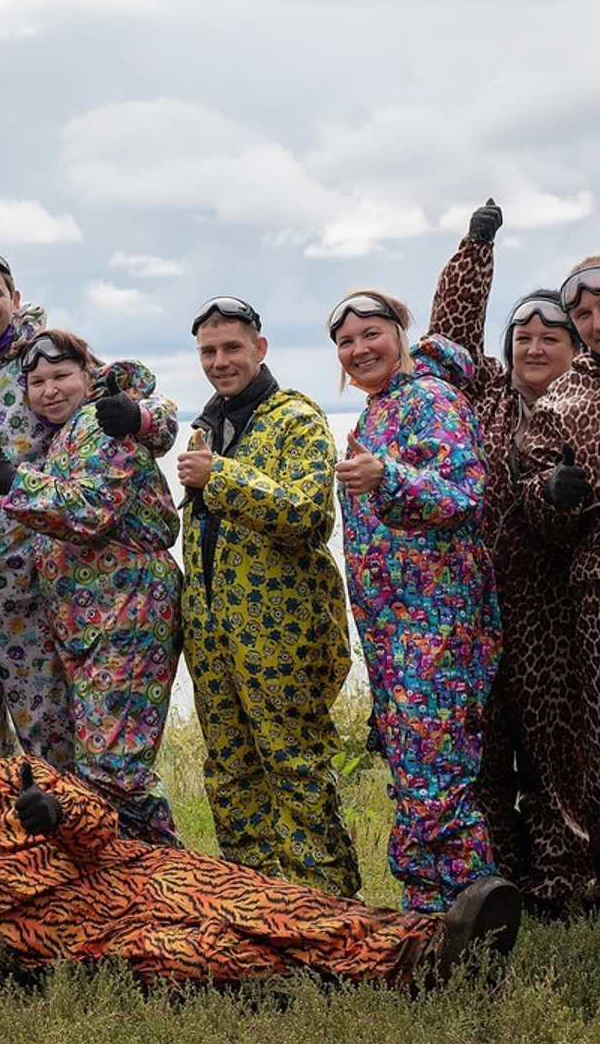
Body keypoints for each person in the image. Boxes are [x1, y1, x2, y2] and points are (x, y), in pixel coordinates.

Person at [0, 708, 521, 989]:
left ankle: (429, 941)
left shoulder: (11, 777)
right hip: (78, 936)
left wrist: (60, 813)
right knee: (217, 950)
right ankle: (399, 970)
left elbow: (101, 824)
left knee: (269, 903)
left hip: (132, 874)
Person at [0, 248, 177, 768]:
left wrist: (144, 418)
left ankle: (67, 840)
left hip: (39, 591)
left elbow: (140, 403)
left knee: (49, 735)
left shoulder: (43, 361)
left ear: (15, 298)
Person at [428, 203, 587, 911]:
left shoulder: (591, 408)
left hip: (552, 605)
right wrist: (476, 250)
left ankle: (563, 879)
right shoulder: (485, 395)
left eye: (550, 335)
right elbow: (452, 332)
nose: (533, 346)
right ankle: (501, 881)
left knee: (556, 751)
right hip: (475, 606)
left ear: (577, 346)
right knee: (484, 752)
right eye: (522, 335)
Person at [176, 297, 359, 896]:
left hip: (282, 631)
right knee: (229, 772)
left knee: (296, 766)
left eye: (232, 348)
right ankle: (255, 905)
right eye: (209, 350)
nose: (220, 361)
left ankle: (330, 908)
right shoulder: (209, 423)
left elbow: (309, 515)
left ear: (260, 348)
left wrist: (219, 477)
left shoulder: (297, 418)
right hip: (212, 632)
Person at [331, 290, 500, 912]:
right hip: (391, 626)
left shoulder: (432, 399)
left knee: (437, 774)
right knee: (414, 771)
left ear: (401, 333)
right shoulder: (376, 412)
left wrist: (390, 477)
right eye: (346, 342)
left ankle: (470, 908)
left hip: (440, 620)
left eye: (370, 333)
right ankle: (428, 911)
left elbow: (465, 495)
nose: (358, 349)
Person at [0, 328, 181, 844]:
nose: (49, 389)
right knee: (102, 764)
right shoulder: (65, 436)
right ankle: (138, 886)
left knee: (116, 770)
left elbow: (91, 509)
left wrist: (15, 482)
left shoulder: (103, 423)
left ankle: (168, 881)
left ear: (88, 375)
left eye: (62, 375)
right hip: (92, 622)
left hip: (129, 610)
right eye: (37, 381)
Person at [520, 254, 600, 894]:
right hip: (590, 589)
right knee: (589, 753)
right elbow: (537, 506)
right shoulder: (564, 402)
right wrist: (555, 493)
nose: (597, 323)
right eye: (586, 314)